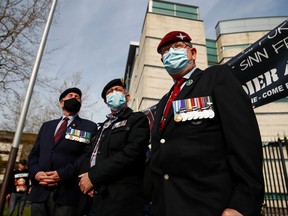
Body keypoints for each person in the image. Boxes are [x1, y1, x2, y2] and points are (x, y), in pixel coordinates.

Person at [149, 31, 264, 216]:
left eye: (177, 47)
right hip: (165, 206)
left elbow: (244, 140)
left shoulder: (216, 77)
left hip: (209, 205)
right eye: (165, 51)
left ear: (193, 53)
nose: (170, 53)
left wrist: (242, 203)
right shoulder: (164, 102)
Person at [78, 78, 150, 216]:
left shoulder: (137, 119)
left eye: (118, 90)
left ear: (127, 97)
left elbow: (132, 153)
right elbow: (88, 154)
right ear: (106, 101)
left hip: (119, 197)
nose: (114, 93)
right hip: (92, 195)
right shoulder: (101, 127)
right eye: (110, 92)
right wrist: (84, 179)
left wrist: (93, 177)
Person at [28, 87, 97, 216]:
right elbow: (34, 154)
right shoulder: (47, 126)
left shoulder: (89, 126)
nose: (74, 98)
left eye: (77, 97)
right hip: (40, 191)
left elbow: (86, 156)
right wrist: (36, 173)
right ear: (61, 102)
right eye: (70, 95)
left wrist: (62, 174)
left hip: (67, 193)